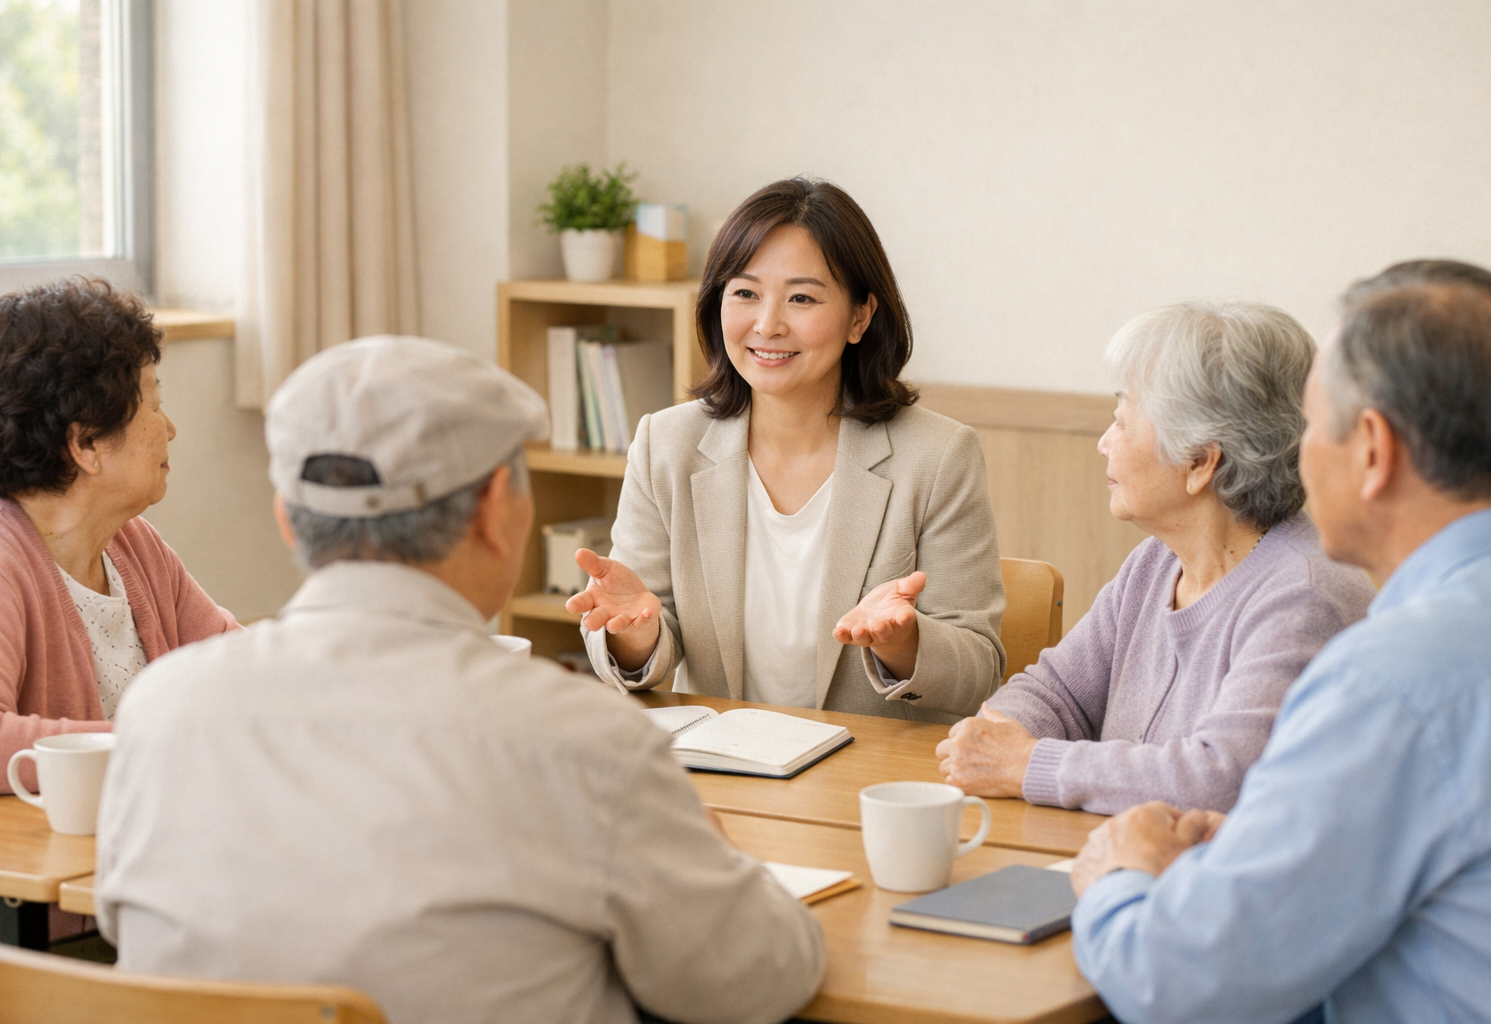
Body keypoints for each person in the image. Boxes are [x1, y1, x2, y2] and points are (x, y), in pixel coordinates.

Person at [94, 337, 825, 1024]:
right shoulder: (587, 742)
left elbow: (124, 925)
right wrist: (721, 863)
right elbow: (759, 977)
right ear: (493, 513)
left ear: (288, 520)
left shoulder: (160, 710)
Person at [1068, 260, 1491, 1024]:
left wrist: (1115, 876)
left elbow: (1179, 984)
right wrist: (1264, 841)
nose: (1295, 456)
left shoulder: (1388, 679)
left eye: (1312, 425)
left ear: (1372, 450)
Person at [571, 178, 1006, 724]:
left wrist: (904, 642)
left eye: (801, 298)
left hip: (865, 769)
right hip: (720, 761)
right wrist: (635, 634)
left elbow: (979, 670)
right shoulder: (666, 444)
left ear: (859, 317)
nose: (767, 325)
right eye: (745, 293)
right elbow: (641, 640)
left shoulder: (939, 456)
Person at [936, 302, 1374, 814]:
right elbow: (1057, 691)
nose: (1104, 443)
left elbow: (1219, 780)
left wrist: (1027, 763)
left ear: (1200, 461)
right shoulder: (1156, 563)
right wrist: (998, 735)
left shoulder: (1303, 597)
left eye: (1122, 422)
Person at [0, 279, 237, 797]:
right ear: (86, 443)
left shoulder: (132, 543)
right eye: (154, 405)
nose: (170, 428)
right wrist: (161, 739)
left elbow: (235, 668)